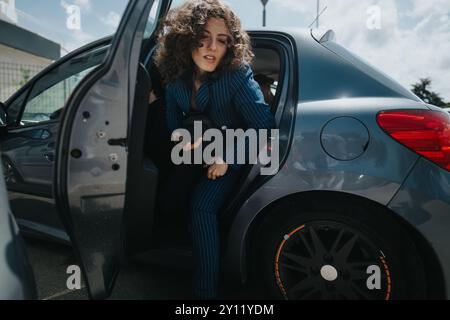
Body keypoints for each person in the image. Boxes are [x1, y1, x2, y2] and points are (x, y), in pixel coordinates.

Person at [154, 0, 275, 299]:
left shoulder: (238, 76)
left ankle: (205, 293)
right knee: (167, 200)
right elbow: (172, 119)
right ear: (186, 40)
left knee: (201, 208)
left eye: (221, 41)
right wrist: (183, 137)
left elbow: (263, 125)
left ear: (230, 46)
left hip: (229, 155)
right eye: (202, 38)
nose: (211, 48)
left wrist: (226, 156)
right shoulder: (175, 77)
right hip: (192, 152)